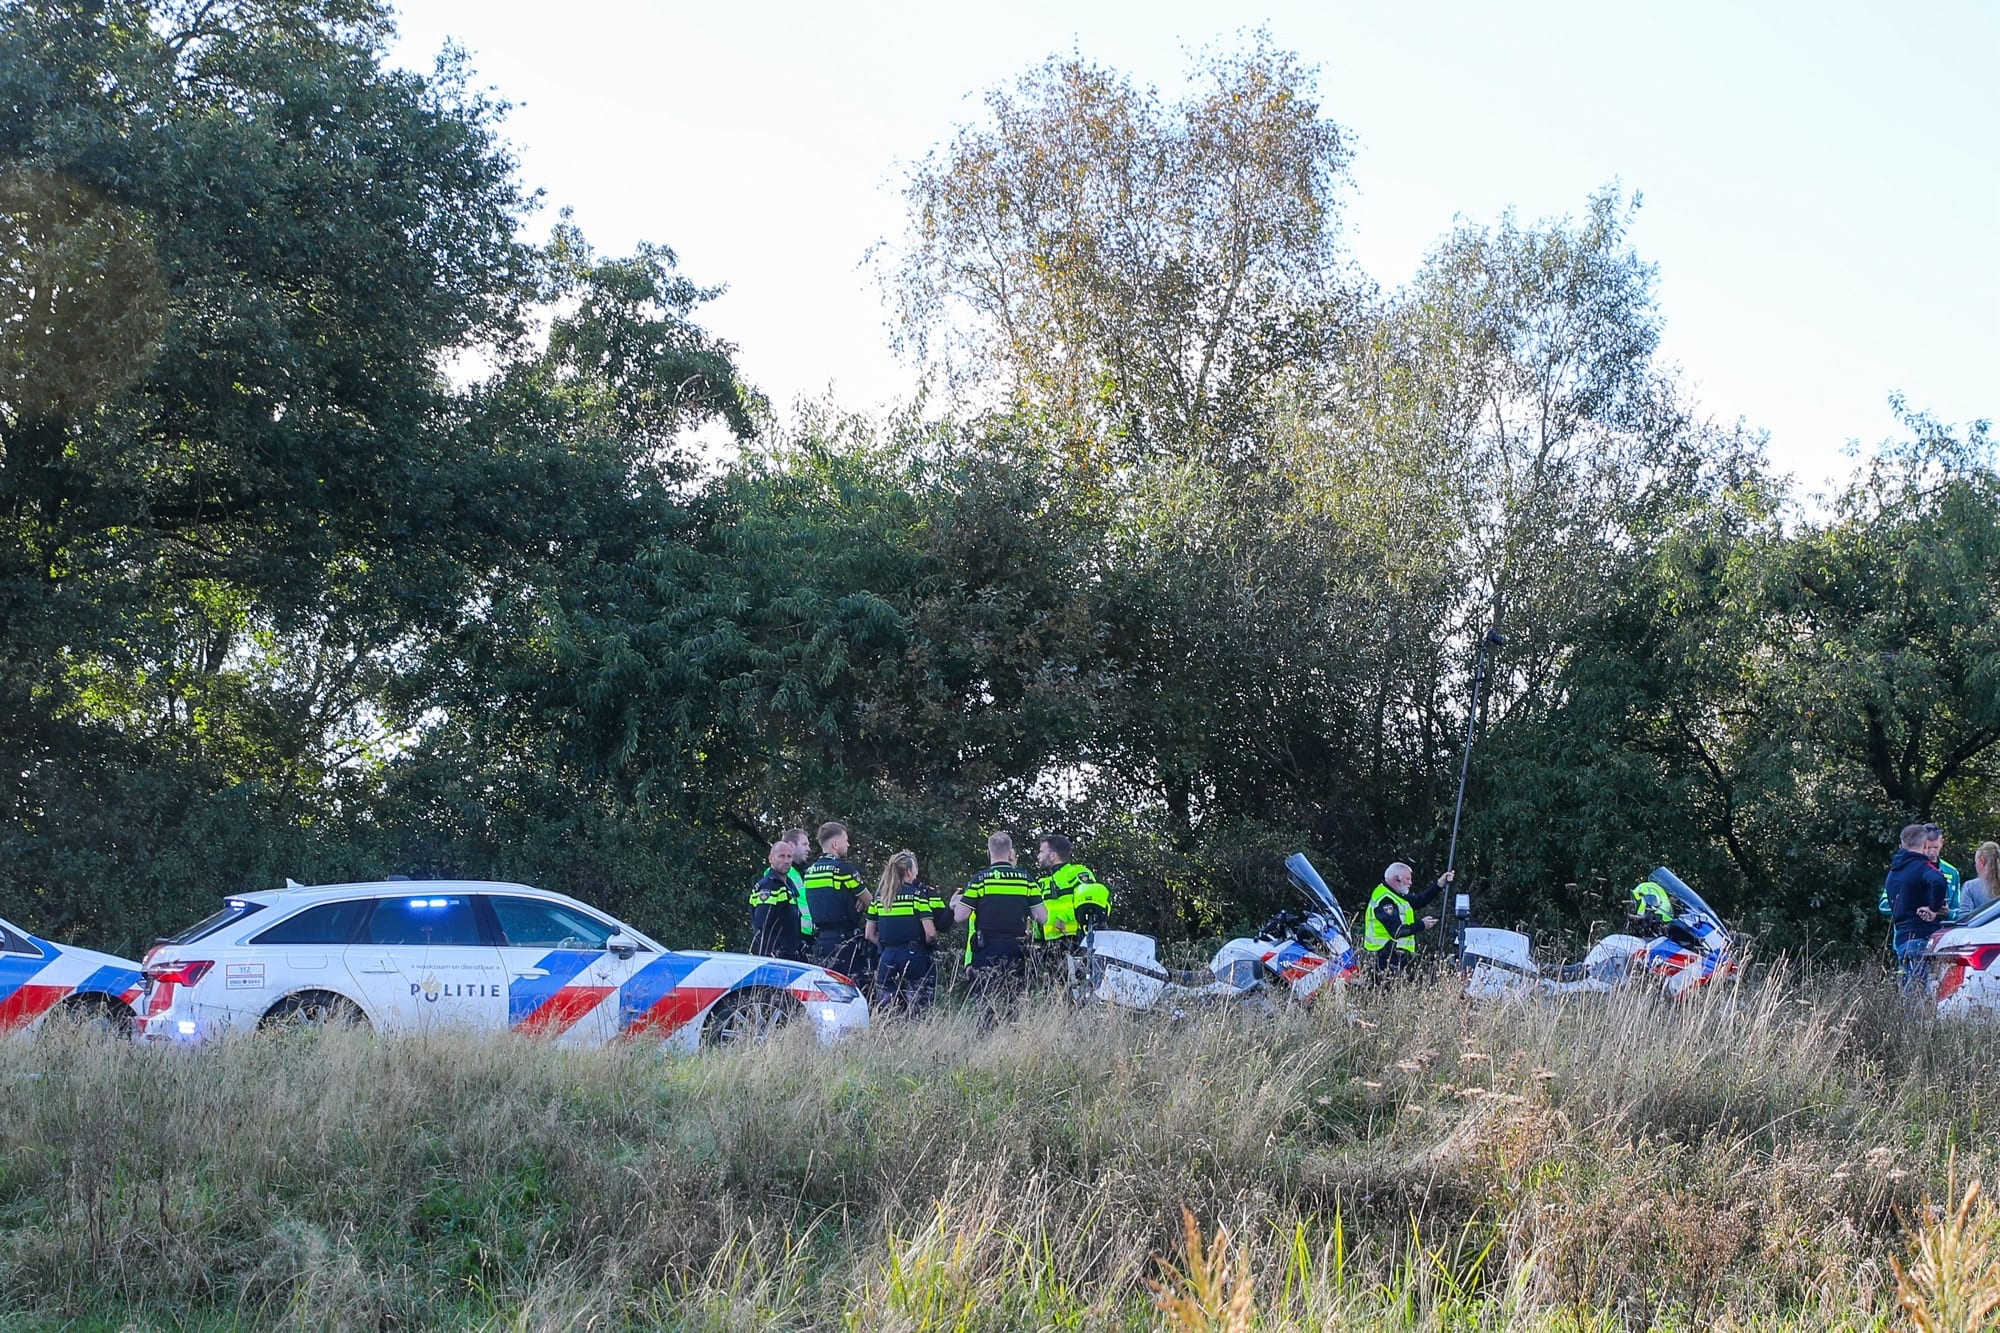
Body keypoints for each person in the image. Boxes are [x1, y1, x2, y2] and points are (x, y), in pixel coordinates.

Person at [952, 831, 1047, 1009]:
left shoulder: (979, 879)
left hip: (986, 950)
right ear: (1010, 852)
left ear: (989, 852)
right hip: (1017, 950)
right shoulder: (1026, 880)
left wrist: (954, 905)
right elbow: (1042, 917)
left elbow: (960, 916)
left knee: (987, 1006)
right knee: (1014, 1007)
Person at [866, 851, 938, 1013]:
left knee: (886, 1008)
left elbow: (869, 934)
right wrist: (927, 945)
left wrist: (885, 945)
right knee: (918, 1009)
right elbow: (931, 933)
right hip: (914, 955)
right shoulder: (917, 896)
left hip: (887, 955)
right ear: (908, 872)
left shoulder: (880, 898)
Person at [800, 821, 872, 980]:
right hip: (844, 940)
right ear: (835, 844)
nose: (848, 844)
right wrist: (856, 900)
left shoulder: (809, 872)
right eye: (845, 840)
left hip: (820, 941)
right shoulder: (843, 870)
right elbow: (870, 902)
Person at [1885, 822, 1949, 997]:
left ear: (1902, 844)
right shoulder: (1923, 867)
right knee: (1924, 998)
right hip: (1922, 936)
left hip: (1902, 939)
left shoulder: (1894, 871)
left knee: (1909, 995)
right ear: (1925, 845)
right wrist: (1934, 909)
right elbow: (1939, 881)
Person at [1363, 862, 1453, 977]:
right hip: (1384, 957)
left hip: (1394, 956)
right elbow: (1397, 931)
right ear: (1396, 879)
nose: (1410, 883)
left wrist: (1439, 884)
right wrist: (1422, 925)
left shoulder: (1395, 893)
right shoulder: (1385, 900)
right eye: (1408, 879)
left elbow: (1419, 900)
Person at [1035, 834, 1111, 945]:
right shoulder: (1043, 882)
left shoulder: (1076, 873)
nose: (1038, 856)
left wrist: (1063, 918)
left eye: (1041, 852)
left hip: (1072, 940)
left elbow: (1090, 903)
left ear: (1053, 856)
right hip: (1046, 944)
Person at [748, 841, 805, 959]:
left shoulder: (788, 883)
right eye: (781, 856)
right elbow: (762, 925)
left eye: (789, 857)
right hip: (776, 956)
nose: (786, 860)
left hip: (791, 953)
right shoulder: (768, 886)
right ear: (771, 859)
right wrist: (772, 951)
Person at [784, 826, 815, 949]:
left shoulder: (802, 872)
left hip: (808, 937)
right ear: (791, 845)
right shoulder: (781, 874)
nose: (808, 849)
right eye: (804, 844)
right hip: (792, 939)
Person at [1964, 842, 2000, 918]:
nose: (1975, 865)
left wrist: (1949, 913)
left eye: (1975, 862)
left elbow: (1964, 918)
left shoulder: (1970, 887)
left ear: (1981, 861)